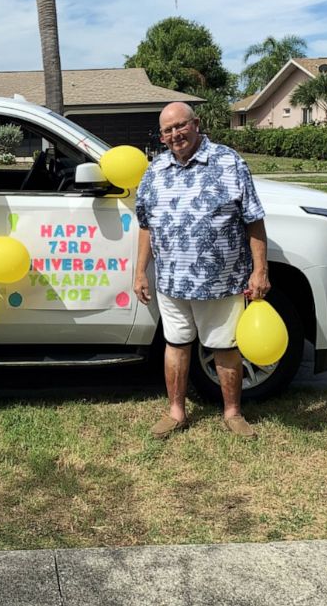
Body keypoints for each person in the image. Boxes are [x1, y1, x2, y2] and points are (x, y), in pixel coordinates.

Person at [133, 102, 270, 440]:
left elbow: (253, 219)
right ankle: (176, 413)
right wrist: (139, 272)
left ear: (196, 124)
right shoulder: (156, 169)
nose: (175, 134)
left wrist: (260, 270)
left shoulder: (228, 161)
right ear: (162, 136)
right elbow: (146, 225)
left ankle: (233, 413)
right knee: (176, 344)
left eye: (180, 126)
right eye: (167, 130)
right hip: (171, 280)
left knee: (224, 346)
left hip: (220, 281)